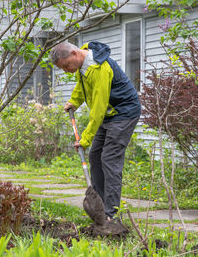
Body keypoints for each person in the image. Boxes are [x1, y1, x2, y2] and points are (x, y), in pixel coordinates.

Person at [50, 41, 141, 220]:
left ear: (75, 54)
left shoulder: (100, 69)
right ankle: (99, 206)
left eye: (67, 65)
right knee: (95, 156)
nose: (67, 70)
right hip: (109, 112)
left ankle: (110, 212)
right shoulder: (83, 65)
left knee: (109, 158)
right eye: (63, 68)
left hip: (123, 112)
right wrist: (74, 101)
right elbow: (82, 87)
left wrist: (85, 138)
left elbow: (98, 108)